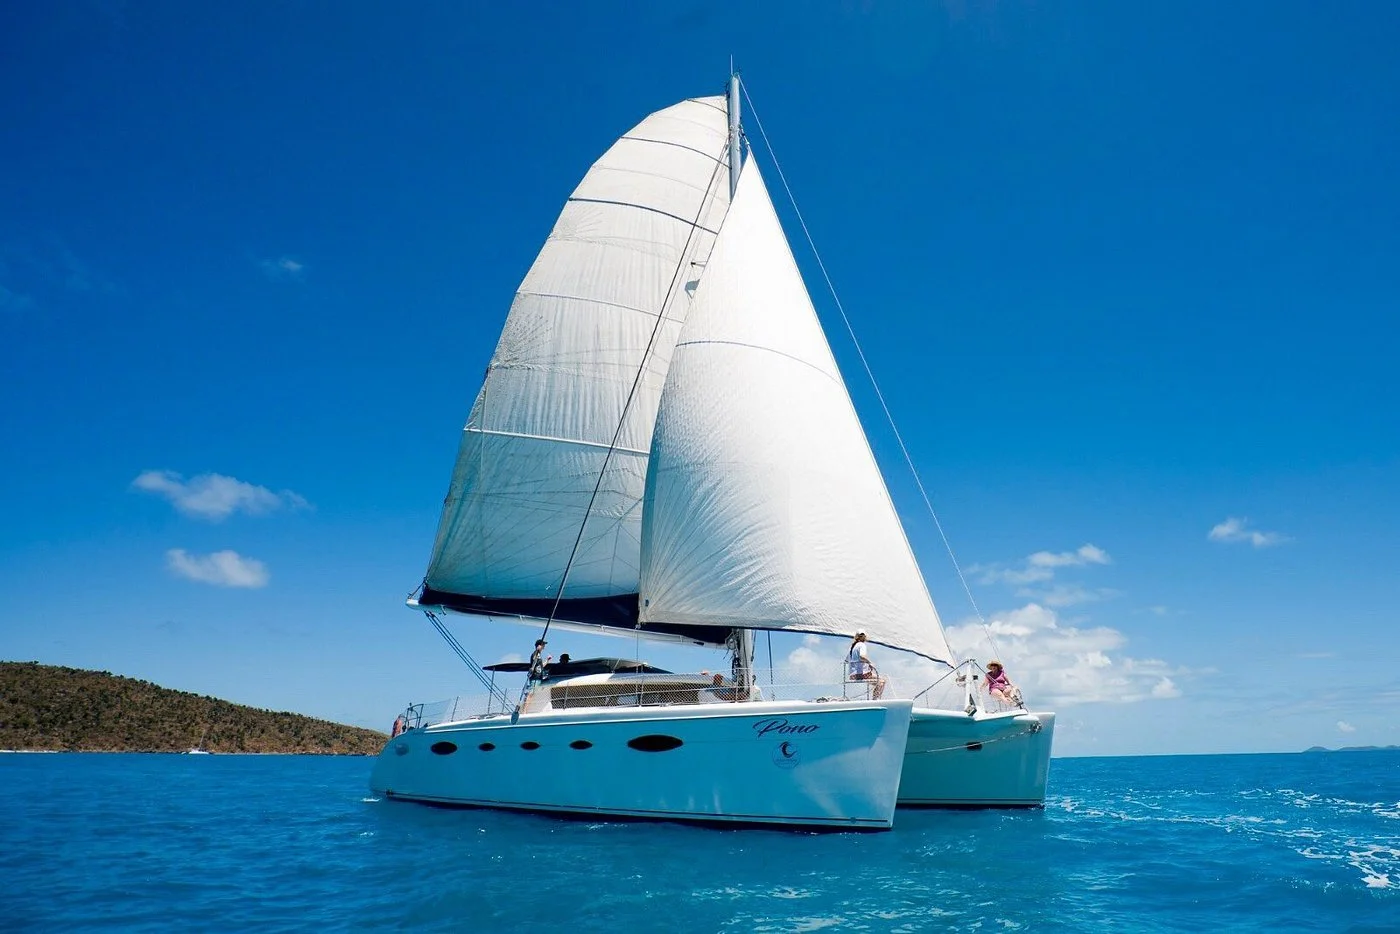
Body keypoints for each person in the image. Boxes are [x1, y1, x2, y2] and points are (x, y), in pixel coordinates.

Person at [846, 630, 886, 700]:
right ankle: (875, 700)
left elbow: (846, 660)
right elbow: (862, 656)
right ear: (864, 637)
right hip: (860, 674)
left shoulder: (852, 647)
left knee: (881, 680)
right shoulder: (862, 645)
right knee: (882, 682)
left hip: (853, 675)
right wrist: (870, 663)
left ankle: (875, 699)